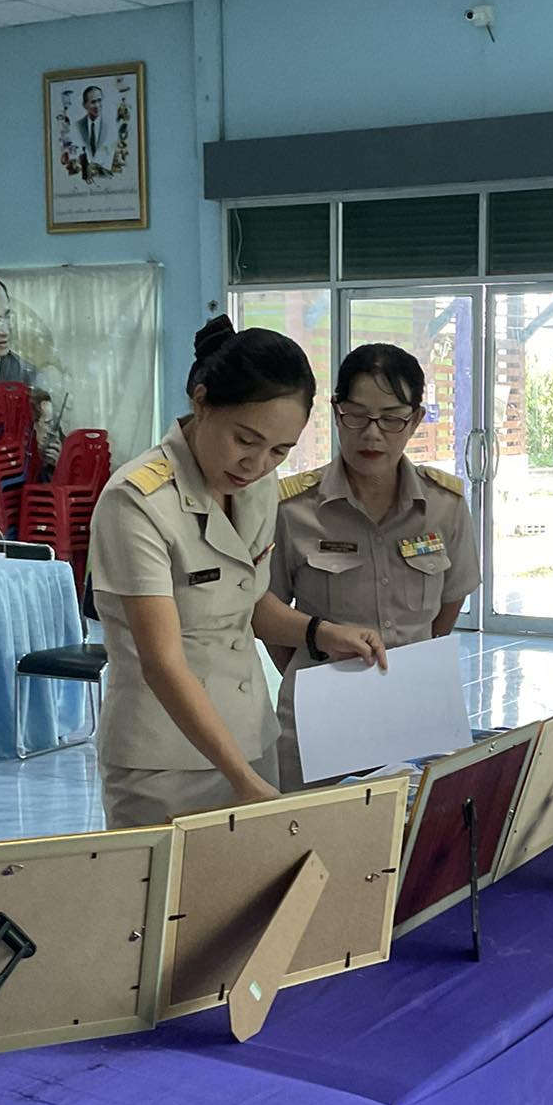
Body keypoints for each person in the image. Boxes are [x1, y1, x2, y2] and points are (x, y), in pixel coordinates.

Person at [89, 316, 386, 829]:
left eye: (279, 450)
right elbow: (162, 662)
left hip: (250, 736)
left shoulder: (256, 486)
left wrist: (322, 632)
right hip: (164, 761)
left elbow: (246, 602)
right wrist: (241, 779)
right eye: (245, 439)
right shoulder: (136, 502)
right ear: (202, 401)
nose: (257, 463)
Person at [269, 343, 479, 791]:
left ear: (415, 420)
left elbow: (450, 602)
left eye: (391, 418)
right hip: (320, 718)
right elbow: (268, 615)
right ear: (336, 412)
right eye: (357, 416)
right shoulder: (293, 509)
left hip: (415, 712)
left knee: (413, 829)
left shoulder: (444, 505)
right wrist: (318, 669)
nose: (372, 434)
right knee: (313, 829)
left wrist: (411, 657)